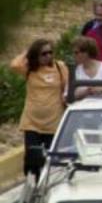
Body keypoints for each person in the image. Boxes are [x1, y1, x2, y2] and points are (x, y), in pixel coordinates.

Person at [11, 39, 68, 177]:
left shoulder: (60, 68)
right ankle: (32, 183)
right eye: (43, 53)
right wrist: (28, 51)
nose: (48, 56)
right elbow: (14, 65)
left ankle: (45, 183)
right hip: (32, 122)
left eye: (50, 52)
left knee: (48, 158)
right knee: (31, 157)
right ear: (36, 55)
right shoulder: (30, 69)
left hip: (53, 121)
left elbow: (67, 88)